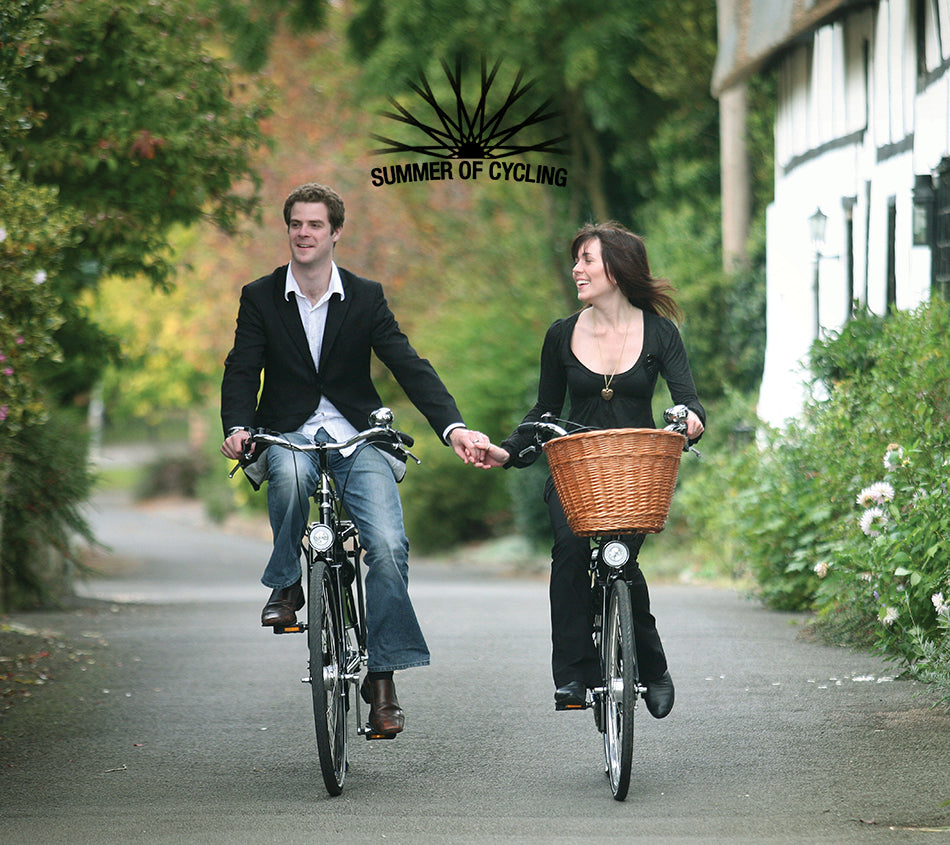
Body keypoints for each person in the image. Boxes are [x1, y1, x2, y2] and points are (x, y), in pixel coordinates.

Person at [220, 182, 487, 737]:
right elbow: (242, 366)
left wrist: (453, 426)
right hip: (288, 432)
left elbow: (408, 364)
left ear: (335, 232)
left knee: (388, 545)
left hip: (355, 437)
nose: (303, 233)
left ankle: (382, 678)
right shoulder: (260, 296)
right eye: (295, 223)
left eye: (315, 224)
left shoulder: (364, 297)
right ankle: (287, 584)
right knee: (290, 477)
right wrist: (238, 427)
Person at [475, 222, 705, 719]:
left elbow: (688, 401)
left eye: (587, 260)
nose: (577, 269)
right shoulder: (561, 335)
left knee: (621, 559)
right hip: (575, 472)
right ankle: (574, 675)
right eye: (576, 259)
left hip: (635, 473)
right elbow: (543, 410)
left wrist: (690, 422)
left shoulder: (660, 332)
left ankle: (653, 667)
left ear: (617, 270)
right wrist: (509, 451)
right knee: (570, 549)